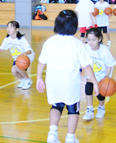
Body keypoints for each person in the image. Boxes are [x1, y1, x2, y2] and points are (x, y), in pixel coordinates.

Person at [36, 10, 99, 143]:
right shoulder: (77, 44)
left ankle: (52, 135)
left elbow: (41, 62)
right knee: (73, 110)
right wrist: (95, 83)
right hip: (70, 83)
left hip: (53, 82)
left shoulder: (50, 41)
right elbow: (87, 66)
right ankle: (70, 138)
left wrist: (39, 78)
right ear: (74, 25)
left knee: (56, 106)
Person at [0, 21, 35, 90]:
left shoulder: (21, 39)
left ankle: (28, 80)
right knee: (14, 71)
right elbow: (0, 49)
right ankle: (23, 80)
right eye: (7, 27)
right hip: (17, 58)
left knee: (18, 68)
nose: (8, 29)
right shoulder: (7, 39)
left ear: (17, 29)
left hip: (27, 56)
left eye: (11, 27)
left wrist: (24, 53)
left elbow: (29, 51)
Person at [83, 28, 116, 120]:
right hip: (91, 73)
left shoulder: (104, 50)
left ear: (99, 39)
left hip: (103, 75)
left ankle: (101, 108)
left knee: (100, 94)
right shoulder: (85, 48)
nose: (91, 42)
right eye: (88, 40)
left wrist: (106, 78)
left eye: (93, 40)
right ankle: (89, 110)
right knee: (88, 88)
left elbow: (110, 65)